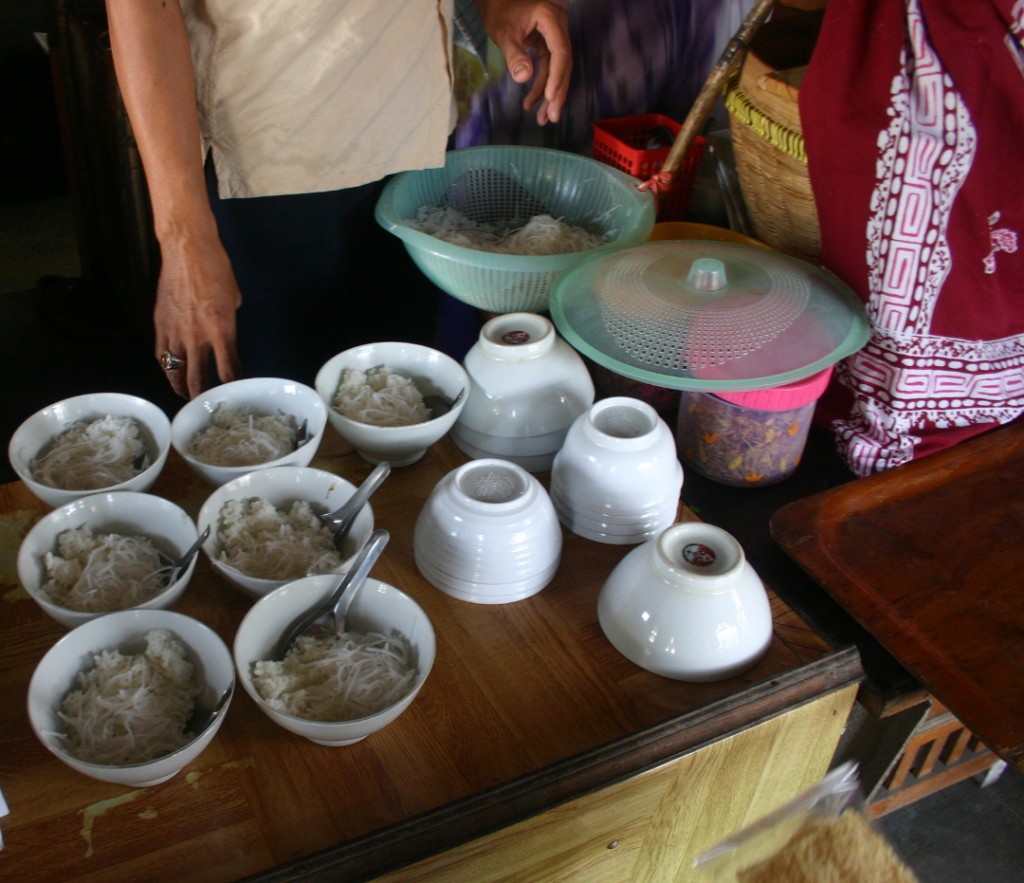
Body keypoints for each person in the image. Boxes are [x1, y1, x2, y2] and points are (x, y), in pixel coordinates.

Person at [104, 0, 571, 399]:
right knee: (258, 413)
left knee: (399, 401)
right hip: (267, 166)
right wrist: (182, 239)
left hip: (414, 140)